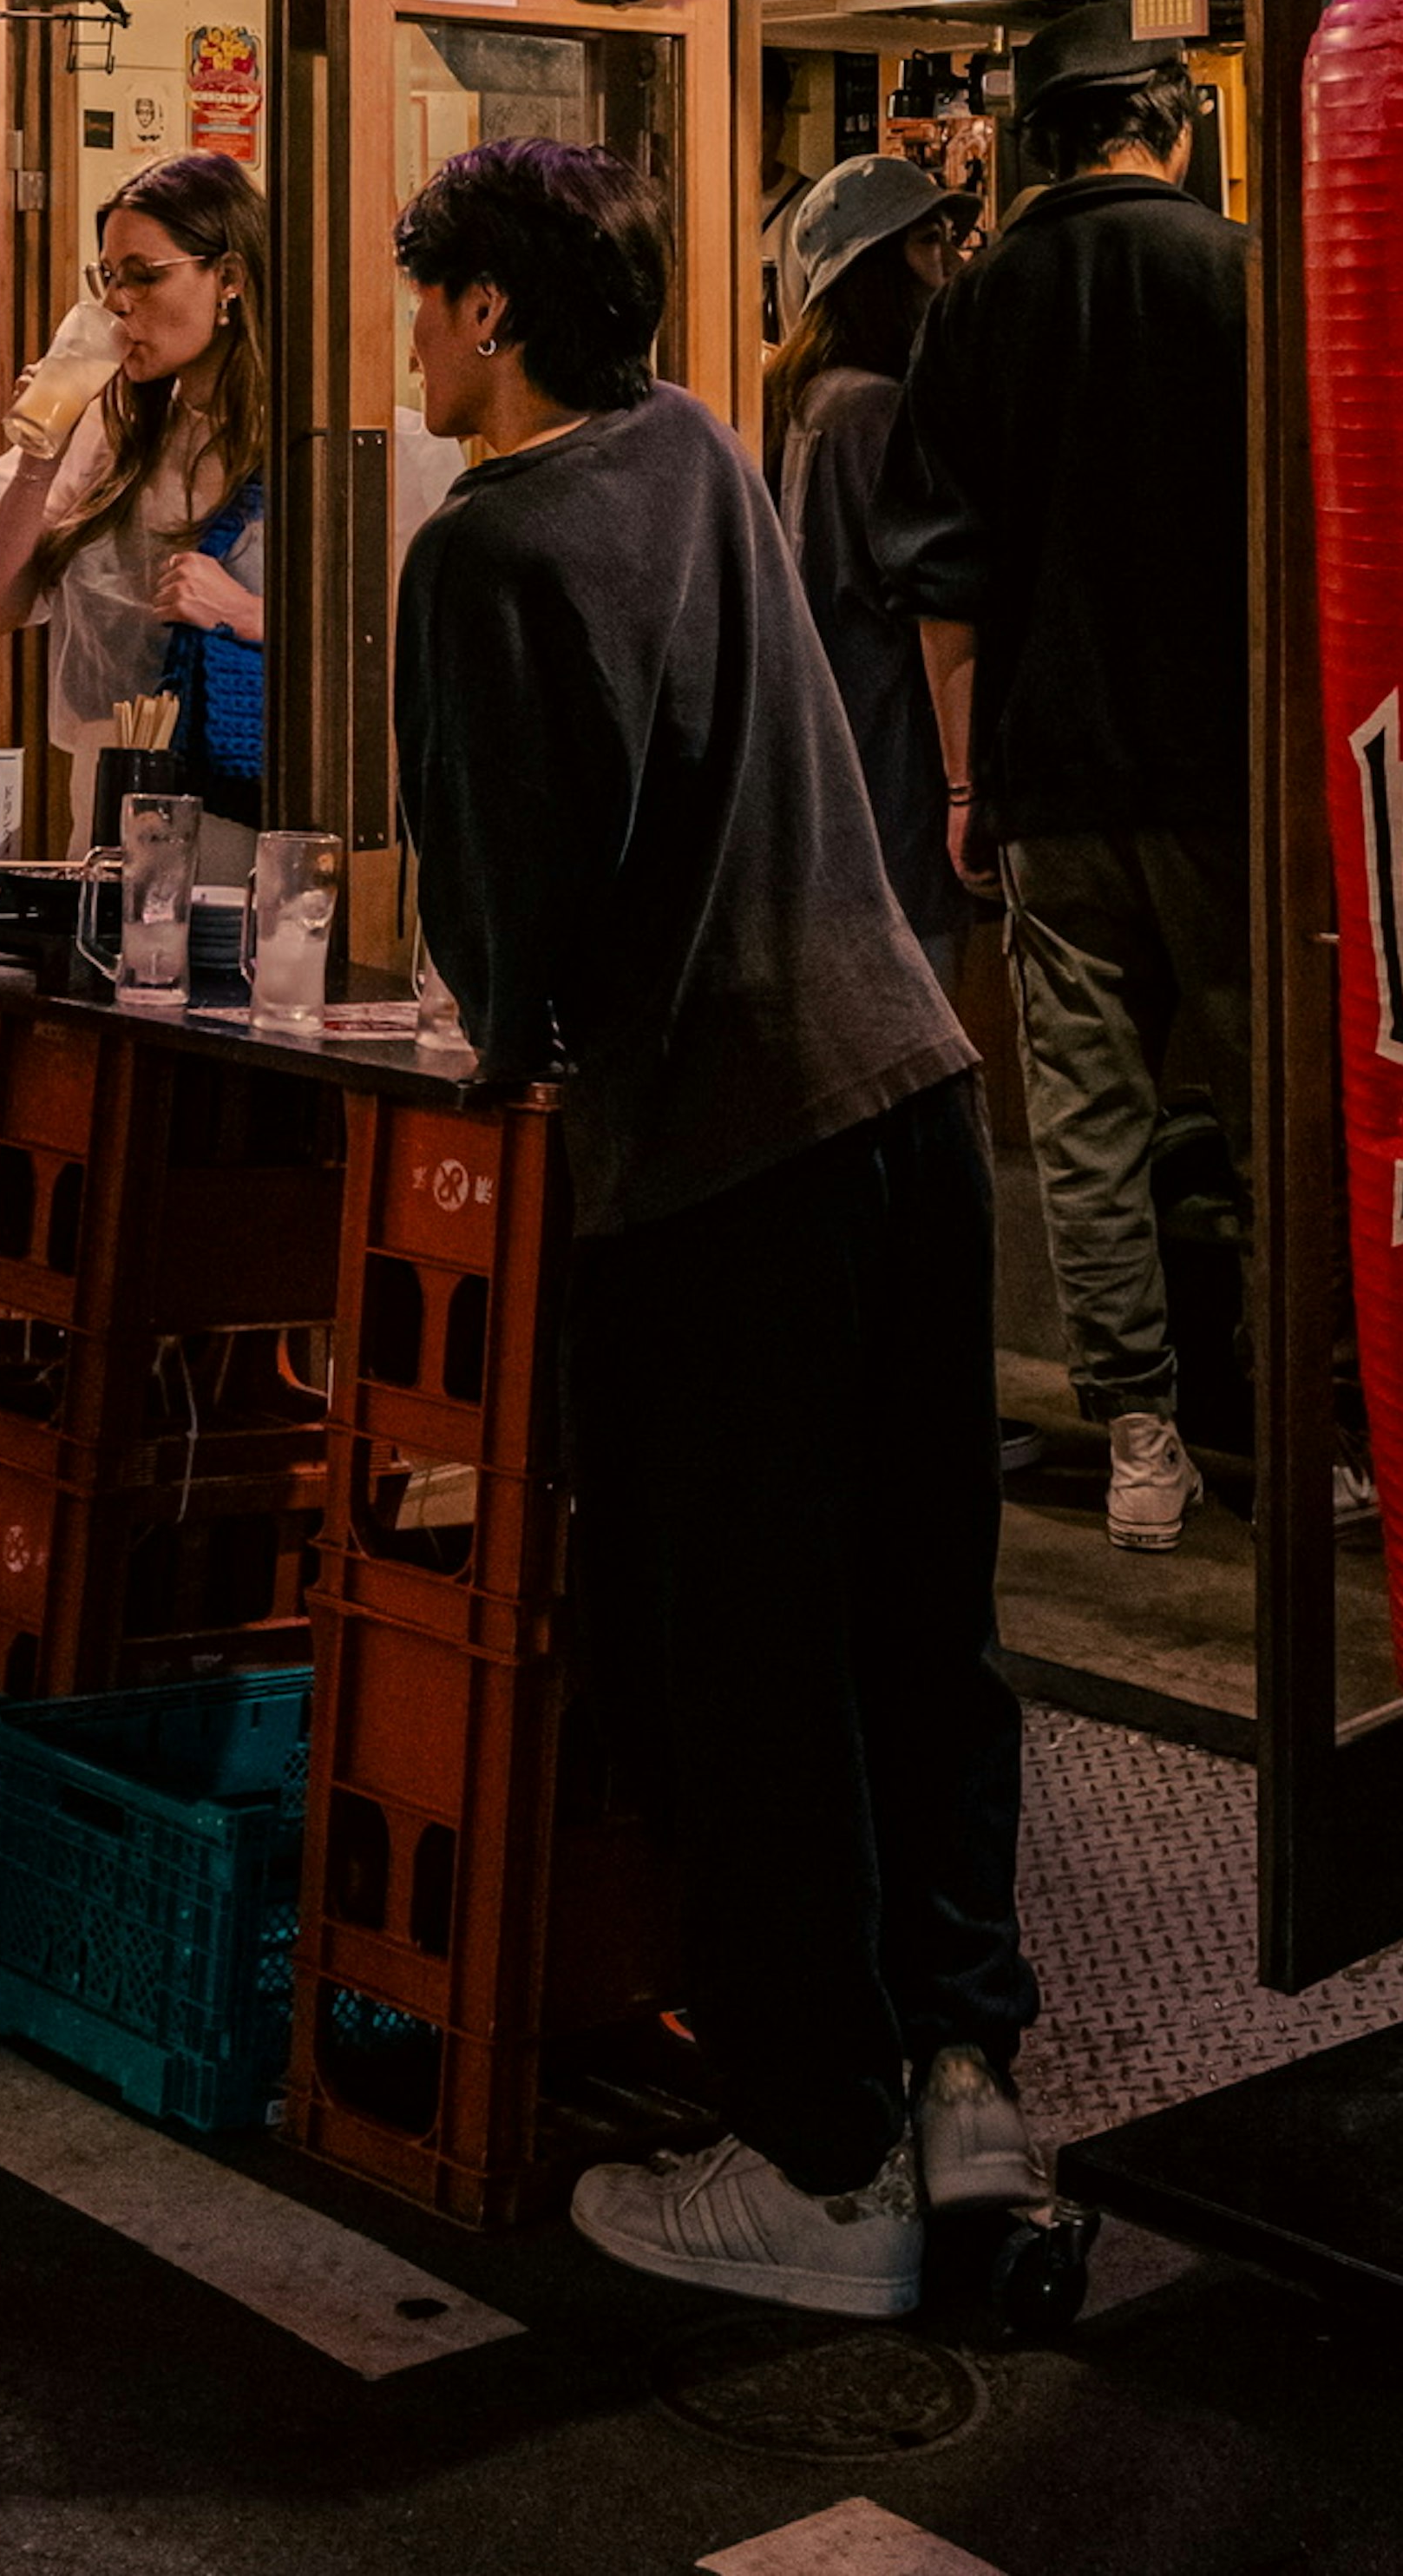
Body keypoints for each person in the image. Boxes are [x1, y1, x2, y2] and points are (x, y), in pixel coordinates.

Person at [396, 139, 1036, 2324]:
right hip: (906, 1088)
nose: (410, 342)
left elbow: (503, 926)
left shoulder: (484, 548)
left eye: (427, 301)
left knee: (744, 1660)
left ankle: (821, 2158)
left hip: (725, 1160)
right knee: (911, 1620)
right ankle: (962, 2070)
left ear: (491, 308)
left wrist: (499, 1027)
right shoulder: (692, 444)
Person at [882, 0, 1253, 1556]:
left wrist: (968, 786)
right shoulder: (1244, 276)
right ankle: (1319, 1434)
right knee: (1269, 1105)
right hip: (1235, 779)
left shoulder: (976, 307)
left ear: (1038, 148)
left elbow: (941, 582)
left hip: (1050, 773)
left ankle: (1142, 1438)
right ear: (1171, 128)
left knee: (1086, 1120)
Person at [0, 154, 267, 863]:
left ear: (230, 278)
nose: (119, 303)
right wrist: (41, 456)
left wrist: (246, 613)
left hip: (241, 811)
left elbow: (392, 644)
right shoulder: (110, 434)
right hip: (110, 803)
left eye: (144, 274)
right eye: (109, 277)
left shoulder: (307, 439)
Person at [763, 152, 966, 981]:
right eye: (927, 242)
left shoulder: (804, 402)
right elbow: (931, 595)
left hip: (825, 786)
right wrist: (964, 787)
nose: (951, 261)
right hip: (896, 779)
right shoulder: (879, 410)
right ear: (873, 269)